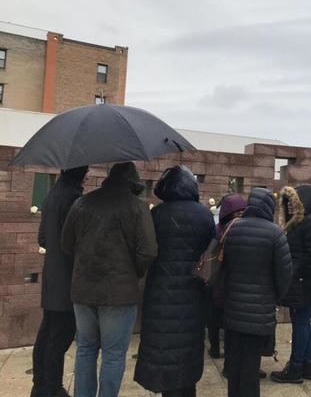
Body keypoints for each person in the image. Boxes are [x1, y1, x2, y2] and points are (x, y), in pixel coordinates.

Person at [61, 162, 157, 397]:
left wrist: (86, 262)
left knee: (85, 349)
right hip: (120, 294)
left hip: (83, 289)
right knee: (113, 355)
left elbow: (66, 244)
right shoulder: (138, 208)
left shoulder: (81, 203)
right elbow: (148, 251)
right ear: (133, 182)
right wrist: (133, 272)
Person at [134, 166, 216, 397]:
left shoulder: (157, 214)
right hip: (192, 293)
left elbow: (147, 249)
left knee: (164, 349)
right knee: (188, 349)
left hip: (160, 292)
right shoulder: (204, 215)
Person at [223, 188, 292, 397]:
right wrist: (274, 297)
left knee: (234, 364)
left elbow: (224, 267)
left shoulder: (232, 228)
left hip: (233, 308)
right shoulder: (275, 233)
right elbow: (284, 274)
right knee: (251, 367)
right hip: (259, 312)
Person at [31, 166, 89, 397]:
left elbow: (43, 237)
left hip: (52, 275)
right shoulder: (74, 198)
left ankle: (40, 384)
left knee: (47, 333)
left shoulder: (53, 193)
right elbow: (77, 241)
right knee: (60, 336)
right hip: (68, 277)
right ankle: (52, 388)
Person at [271, 185, 311, 384]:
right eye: (287, 201)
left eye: (293, 201)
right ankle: (308, 365)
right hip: (302, 282)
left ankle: (296, 367)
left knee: (300, 323)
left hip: (307, 282)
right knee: (303, 322)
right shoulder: (297, 223)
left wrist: (292, 272)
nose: (289, 205)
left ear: (302, 202)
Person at [208, 194, 247, 359]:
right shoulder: (244, 228)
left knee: (214, 317)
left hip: (216, 278)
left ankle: (215, 348)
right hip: (235, 281)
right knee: (230, 320)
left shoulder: (218, 229)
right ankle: (230, 354)